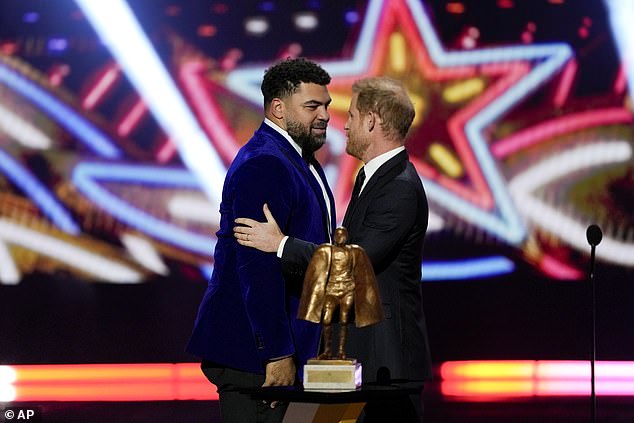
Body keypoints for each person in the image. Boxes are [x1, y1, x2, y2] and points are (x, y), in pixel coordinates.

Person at [234, 76, 432, 422]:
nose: (344, 125)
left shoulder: (398, 187)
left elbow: (355, 262)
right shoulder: (374, 178)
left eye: (352, 116)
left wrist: (280, 244)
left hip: (385, 364)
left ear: (371, 121)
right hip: (363, 359)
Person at [186, 57, 336, 423]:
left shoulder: (298, 159)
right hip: (258, 362)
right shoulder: (265, 164)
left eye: (326, 105)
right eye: (312, 106)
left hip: (289, 352)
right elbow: (256, 266)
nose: (325, 115)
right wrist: (276, 353)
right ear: (279, 108)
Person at [298, 226, 383, 360]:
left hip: (347, 290)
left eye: (342, 235)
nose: (340, 237)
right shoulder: (327, 251)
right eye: (338, 235)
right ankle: (327, 351)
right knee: (326, 319)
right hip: (331, 290)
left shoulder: (354, 252)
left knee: (344, 320)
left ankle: (341, 351)